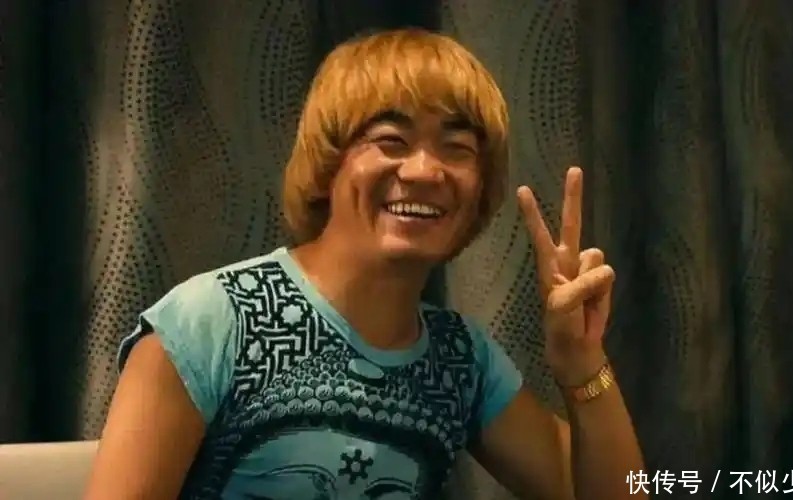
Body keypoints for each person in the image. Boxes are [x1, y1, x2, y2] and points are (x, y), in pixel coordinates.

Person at [85, 28, 646, 500]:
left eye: (457, 148)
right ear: (328, 164)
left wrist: (582, 364)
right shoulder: (210, 321)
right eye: (391, 139)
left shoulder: (459, 360)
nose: (425, 171)